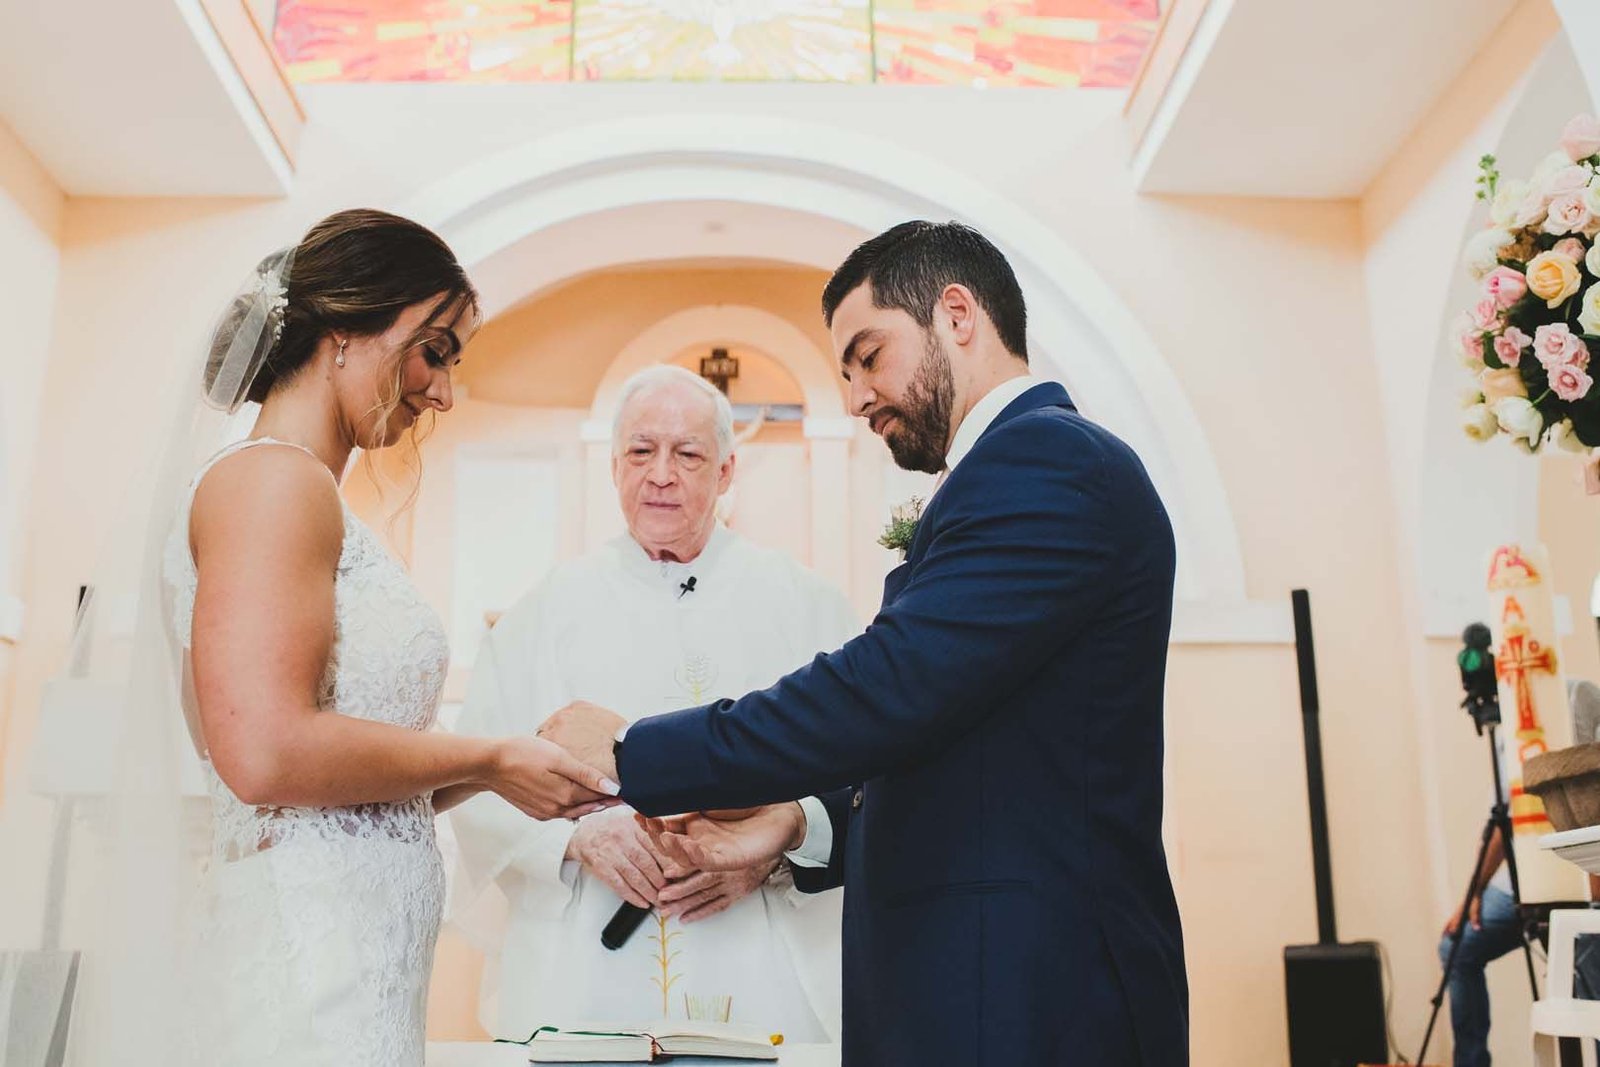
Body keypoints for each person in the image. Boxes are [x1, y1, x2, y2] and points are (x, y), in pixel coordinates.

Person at [539, 221, 1188, 1065]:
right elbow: (959, 745)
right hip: (982, 984)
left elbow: (886, 689)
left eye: (868, 354)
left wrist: (631, 754)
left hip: (1031, 991)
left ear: (957, 314)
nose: (853, 397)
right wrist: (789, 828)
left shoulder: (1048, 463)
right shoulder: (1010, 473)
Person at [163, 209, 618, 1066]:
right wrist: (486, 757)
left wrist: (510, 759)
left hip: (354, 965)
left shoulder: (303, 495)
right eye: (435, 350)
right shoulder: (272, 485)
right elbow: (263, 754)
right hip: (310, 971)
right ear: (345, 331)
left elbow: (342, 777)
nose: (444, 391)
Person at [450, 364, 857, 1042]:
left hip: (762, 955)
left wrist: (772, 848)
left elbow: (864, 775)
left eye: (687, 453)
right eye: (641, 451)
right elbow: (477, 776)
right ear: (613, 466)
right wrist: (575, 836)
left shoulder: (806, 604)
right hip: (589, 964)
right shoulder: (545, 610)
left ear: (726, 472)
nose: (661, 472)